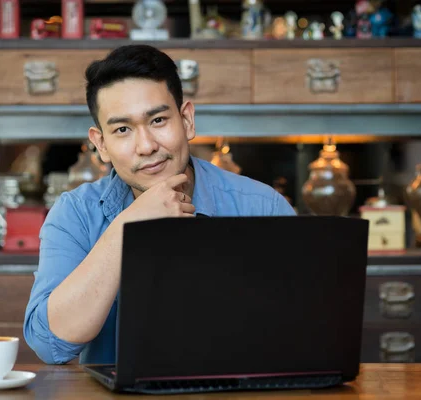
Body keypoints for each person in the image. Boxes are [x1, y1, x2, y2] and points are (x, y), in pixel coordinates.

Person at [23, 44, 296, 365]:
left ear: (187, 120)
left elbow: (302, 331)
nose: (146, 146)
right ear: (101, 145)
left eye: (158, 120)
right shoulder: (76, 214)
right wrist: (126, 227)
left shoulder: (262, 208)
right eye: (122, 129)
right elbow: (51, 345)